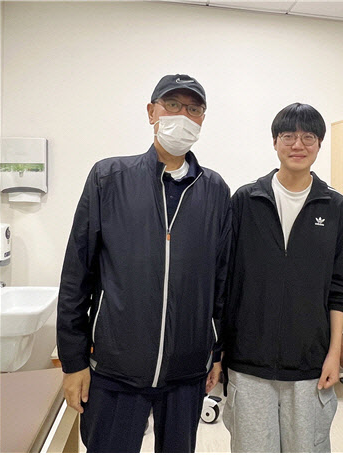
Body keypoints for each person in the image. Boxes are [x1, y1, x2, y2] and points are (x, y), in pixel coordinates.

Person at [57, 74, 231, 452]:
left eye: (194, 109)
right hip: (116, 370)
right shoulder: (109, 178)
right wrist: (72, 362)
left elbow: (220, 282)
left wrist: (216, 354)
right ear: (152, 112)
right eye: (173, 105)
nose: (183, 115)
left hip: (186, 372)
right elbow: (76, 276)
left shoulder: (215, 190)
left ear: (202, 119)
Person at [222, 103, 343, 452]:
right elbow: (225, 280)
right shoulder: (245, 201)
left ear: (319, 143)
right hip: (249, 362)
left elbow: (342, 288)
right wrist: (219, 352)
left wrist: (334, 354)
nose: (298, 145)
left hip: (310, 364)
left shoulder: (336, 208)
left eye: (308, 137)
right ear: (275, 142)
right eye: (288, 136)